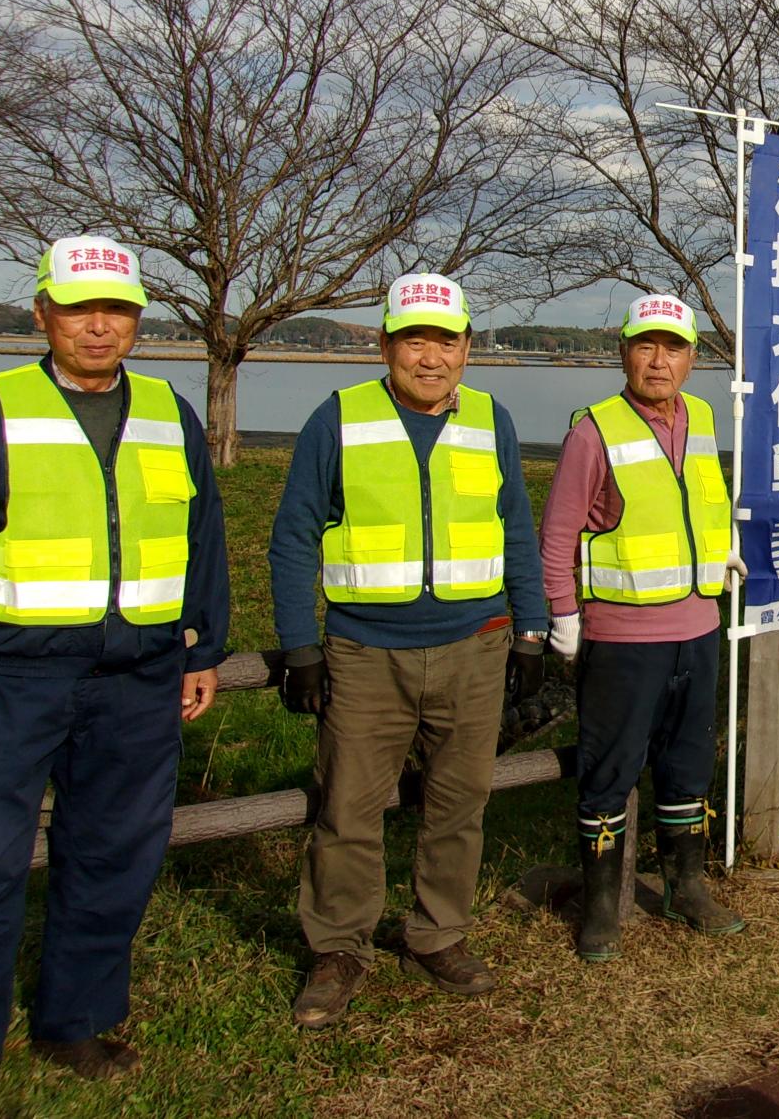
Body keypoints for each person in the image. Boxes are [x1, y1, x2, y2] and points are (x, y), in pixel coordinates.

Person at [0, 236, 228, 1116]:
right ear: (43, 313)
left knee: (113, 854)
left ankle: (72, 1021)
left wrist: (203, 648)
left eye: (116, 310)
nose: (99, 326)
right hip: (12, 676)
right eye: (80, 309)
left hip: (139, 678)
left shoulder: (166, 410)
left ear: (138, 320)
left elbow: (203, 541)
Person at [270, 272, 547, 1030]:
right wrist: (299, 643)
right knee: (348, 808)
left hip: (475, 647)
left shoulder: (493, 420)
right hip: (366, 651)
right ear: (386, 343)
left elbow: (515, 526)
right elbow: (294, 534)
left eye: (447, 340)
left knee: (460, 803)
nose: (431, 357)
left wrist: (532, 628)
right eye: (414, 339)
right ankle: (338, 948)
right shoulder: (341, 417)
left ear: (467, 348)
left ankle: (438, 933)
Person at [537, 293, 744, 962]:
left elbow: (703, 501)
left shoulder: (704, 417)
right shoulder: (592, 430)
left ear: (693, 357)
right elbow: (557, 533)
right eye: (646, 345)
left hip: (698, 626)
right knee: (609, 770)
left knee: (687, 764)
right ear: (624, 350)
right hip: (622, 638)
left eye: (674, 347)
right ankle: (602, 908)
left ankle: (687, 884)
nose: (660, 360)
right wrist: (562, 614)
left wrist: (724, 548)